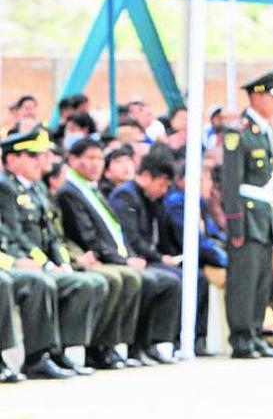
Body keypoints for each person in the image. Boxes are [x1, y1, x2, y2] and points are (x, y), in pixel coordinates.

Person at [58, 139, 181, 367]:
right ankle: (106, 346)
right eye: (90, 158)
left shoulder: (92, 189)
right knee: (132, 278)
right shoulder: (70, 192)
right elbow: (88, 237)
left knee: (168, 281)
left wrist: (129, 257)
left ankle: (147, 343)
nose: (96, 164)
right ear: (73, 160)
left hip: (115, 256)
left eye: (99, 158)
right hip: (95, 259)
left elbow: (117, 234)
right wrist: (123, 261)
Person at [0, 127, 109, 376]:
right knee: (33, 282)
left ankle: (56, 351)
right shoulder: (5, 188)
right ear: (12, 158)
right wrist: (40, 263)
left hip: (32, 260)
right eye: (33, 155)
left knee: (87, 283)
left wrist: (60, 262)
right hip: (19, 261)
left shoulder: (36, 188)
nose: (41, 161)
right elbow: (15, 237)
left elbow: (52, 235)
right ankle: (35, 358)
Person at [220, 70, 273, 359]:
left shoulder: (265, 131)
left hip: (264, 215)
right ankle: (242, 337)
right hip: (246, 217)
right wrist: (235, 225)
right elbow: (231, 184)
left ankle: (256, 332)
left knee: (260, 279)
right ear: (257, 96)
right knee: (243, 280)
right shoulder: (239, 132)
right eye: (271, 97)